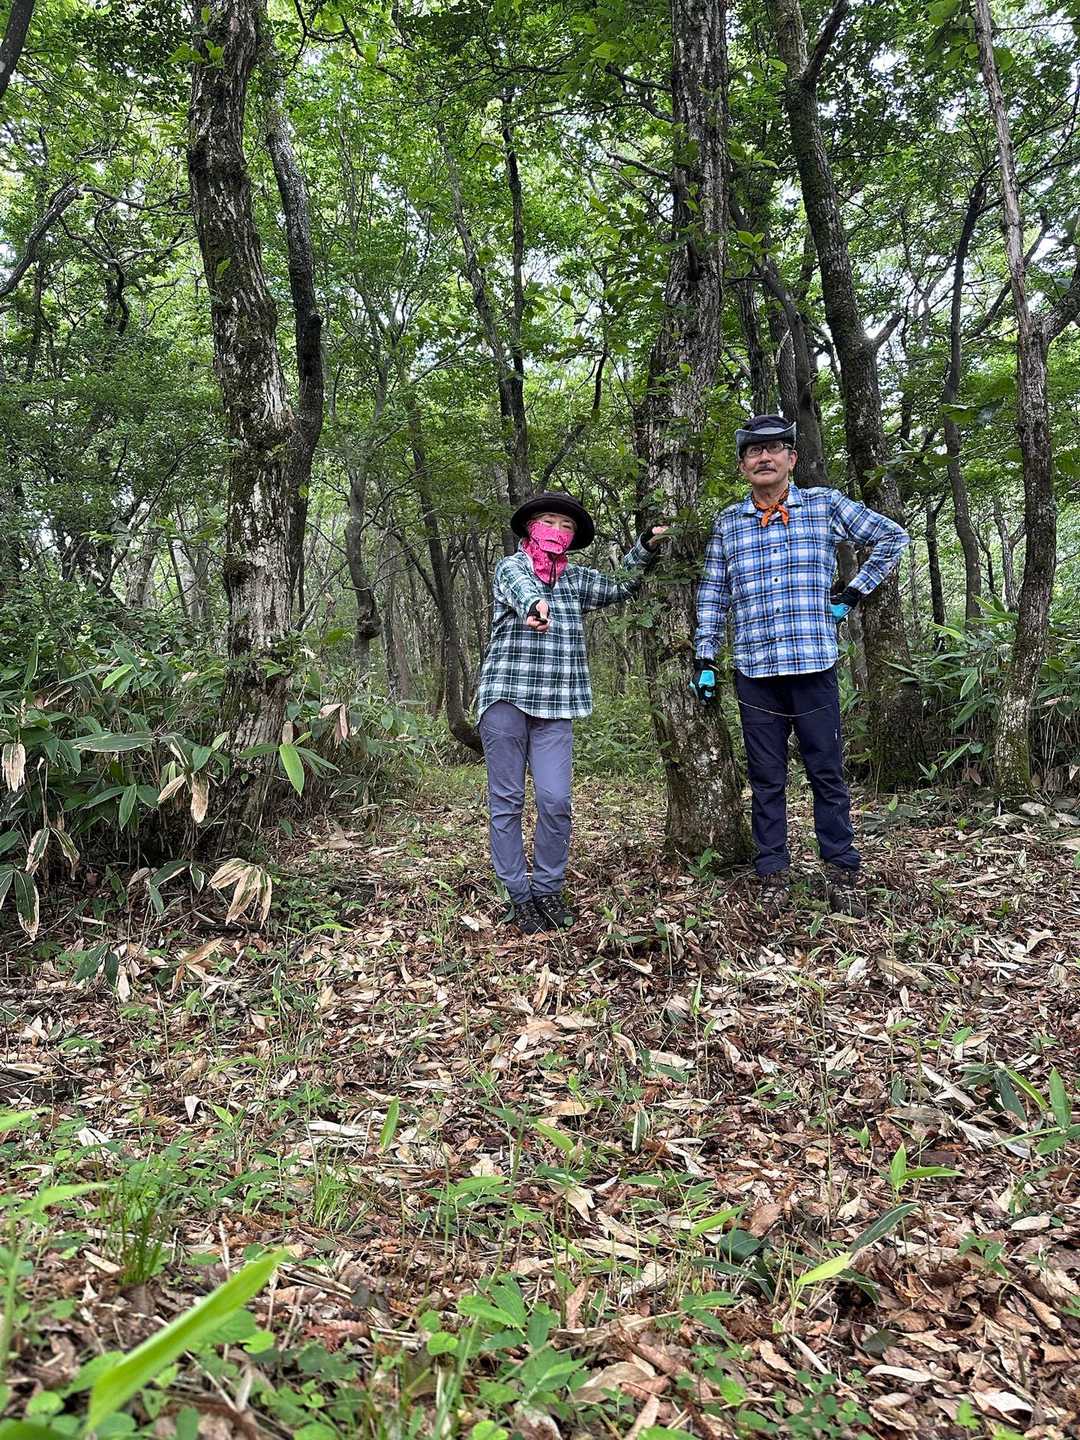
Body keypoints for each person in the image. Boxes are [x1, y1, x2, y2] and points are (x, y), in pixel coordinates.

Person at [690, 414, 909, 914]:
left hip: (812, 664)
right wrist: (705, 656)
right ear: (743, 465)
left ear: (791, 458)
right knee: (766, 779)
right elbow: (713, 594)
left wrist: (852, 594)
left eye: (774, 449)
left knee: (826, 772)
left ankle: (842, 869)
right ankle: (773, 872)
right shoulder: (729, 523)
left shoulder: (823, 505)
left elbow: (892, 537)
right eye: (754, 451)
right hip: (755, 671)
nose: (764, 457)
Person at [476, 491, 668, 935]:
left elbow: (620, 584)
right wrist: (535, 607)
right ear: (531, 527)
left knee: (556, 800)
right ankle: (517, 895)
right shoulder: (512, 567)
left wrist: (646, 545)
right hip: (506, 697)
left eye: (566, 525)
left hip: (557, 704)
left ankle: (547, 888)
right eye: (549, 521)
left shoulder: (576, 579)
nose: (557, 530)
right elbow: (522, 589)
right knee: (507, 800)